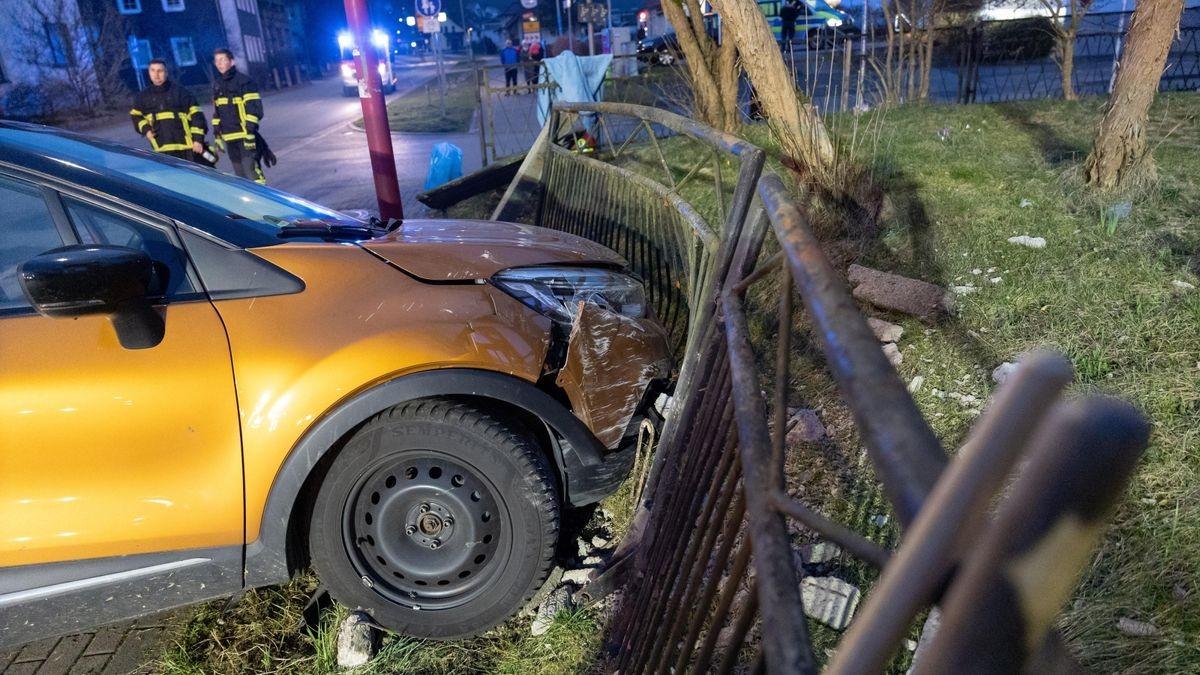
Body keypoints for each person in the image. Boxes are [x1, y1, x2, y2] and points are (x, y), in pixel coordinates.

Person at [129, 59, 207, 162]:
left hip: (186, 150)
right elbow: (135, 115)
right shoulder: (142, 97)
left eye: (160, 71)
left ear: (166, 72)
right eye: (153, 70)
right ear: (148, 72)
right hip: (161, 151)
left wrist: (198, 140)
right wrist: (146, 130)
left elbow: (197, 116)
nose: (156, 75)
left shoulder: (181, 93)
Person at [211, 48, 266, 184]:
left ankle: (263, 202)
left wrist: (249, 133)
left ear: (232, 61)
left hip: (245, 137)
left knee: (252, 173)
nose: (219, 63)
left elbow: (254, 110)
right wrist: (217, 135)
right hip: (230, 138)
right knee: (240, 177)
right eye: (217, 61)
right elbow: (217, 112)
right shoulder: (217, 85)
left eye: (223, 60)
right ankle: (247, 204)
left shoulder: (244, 82)